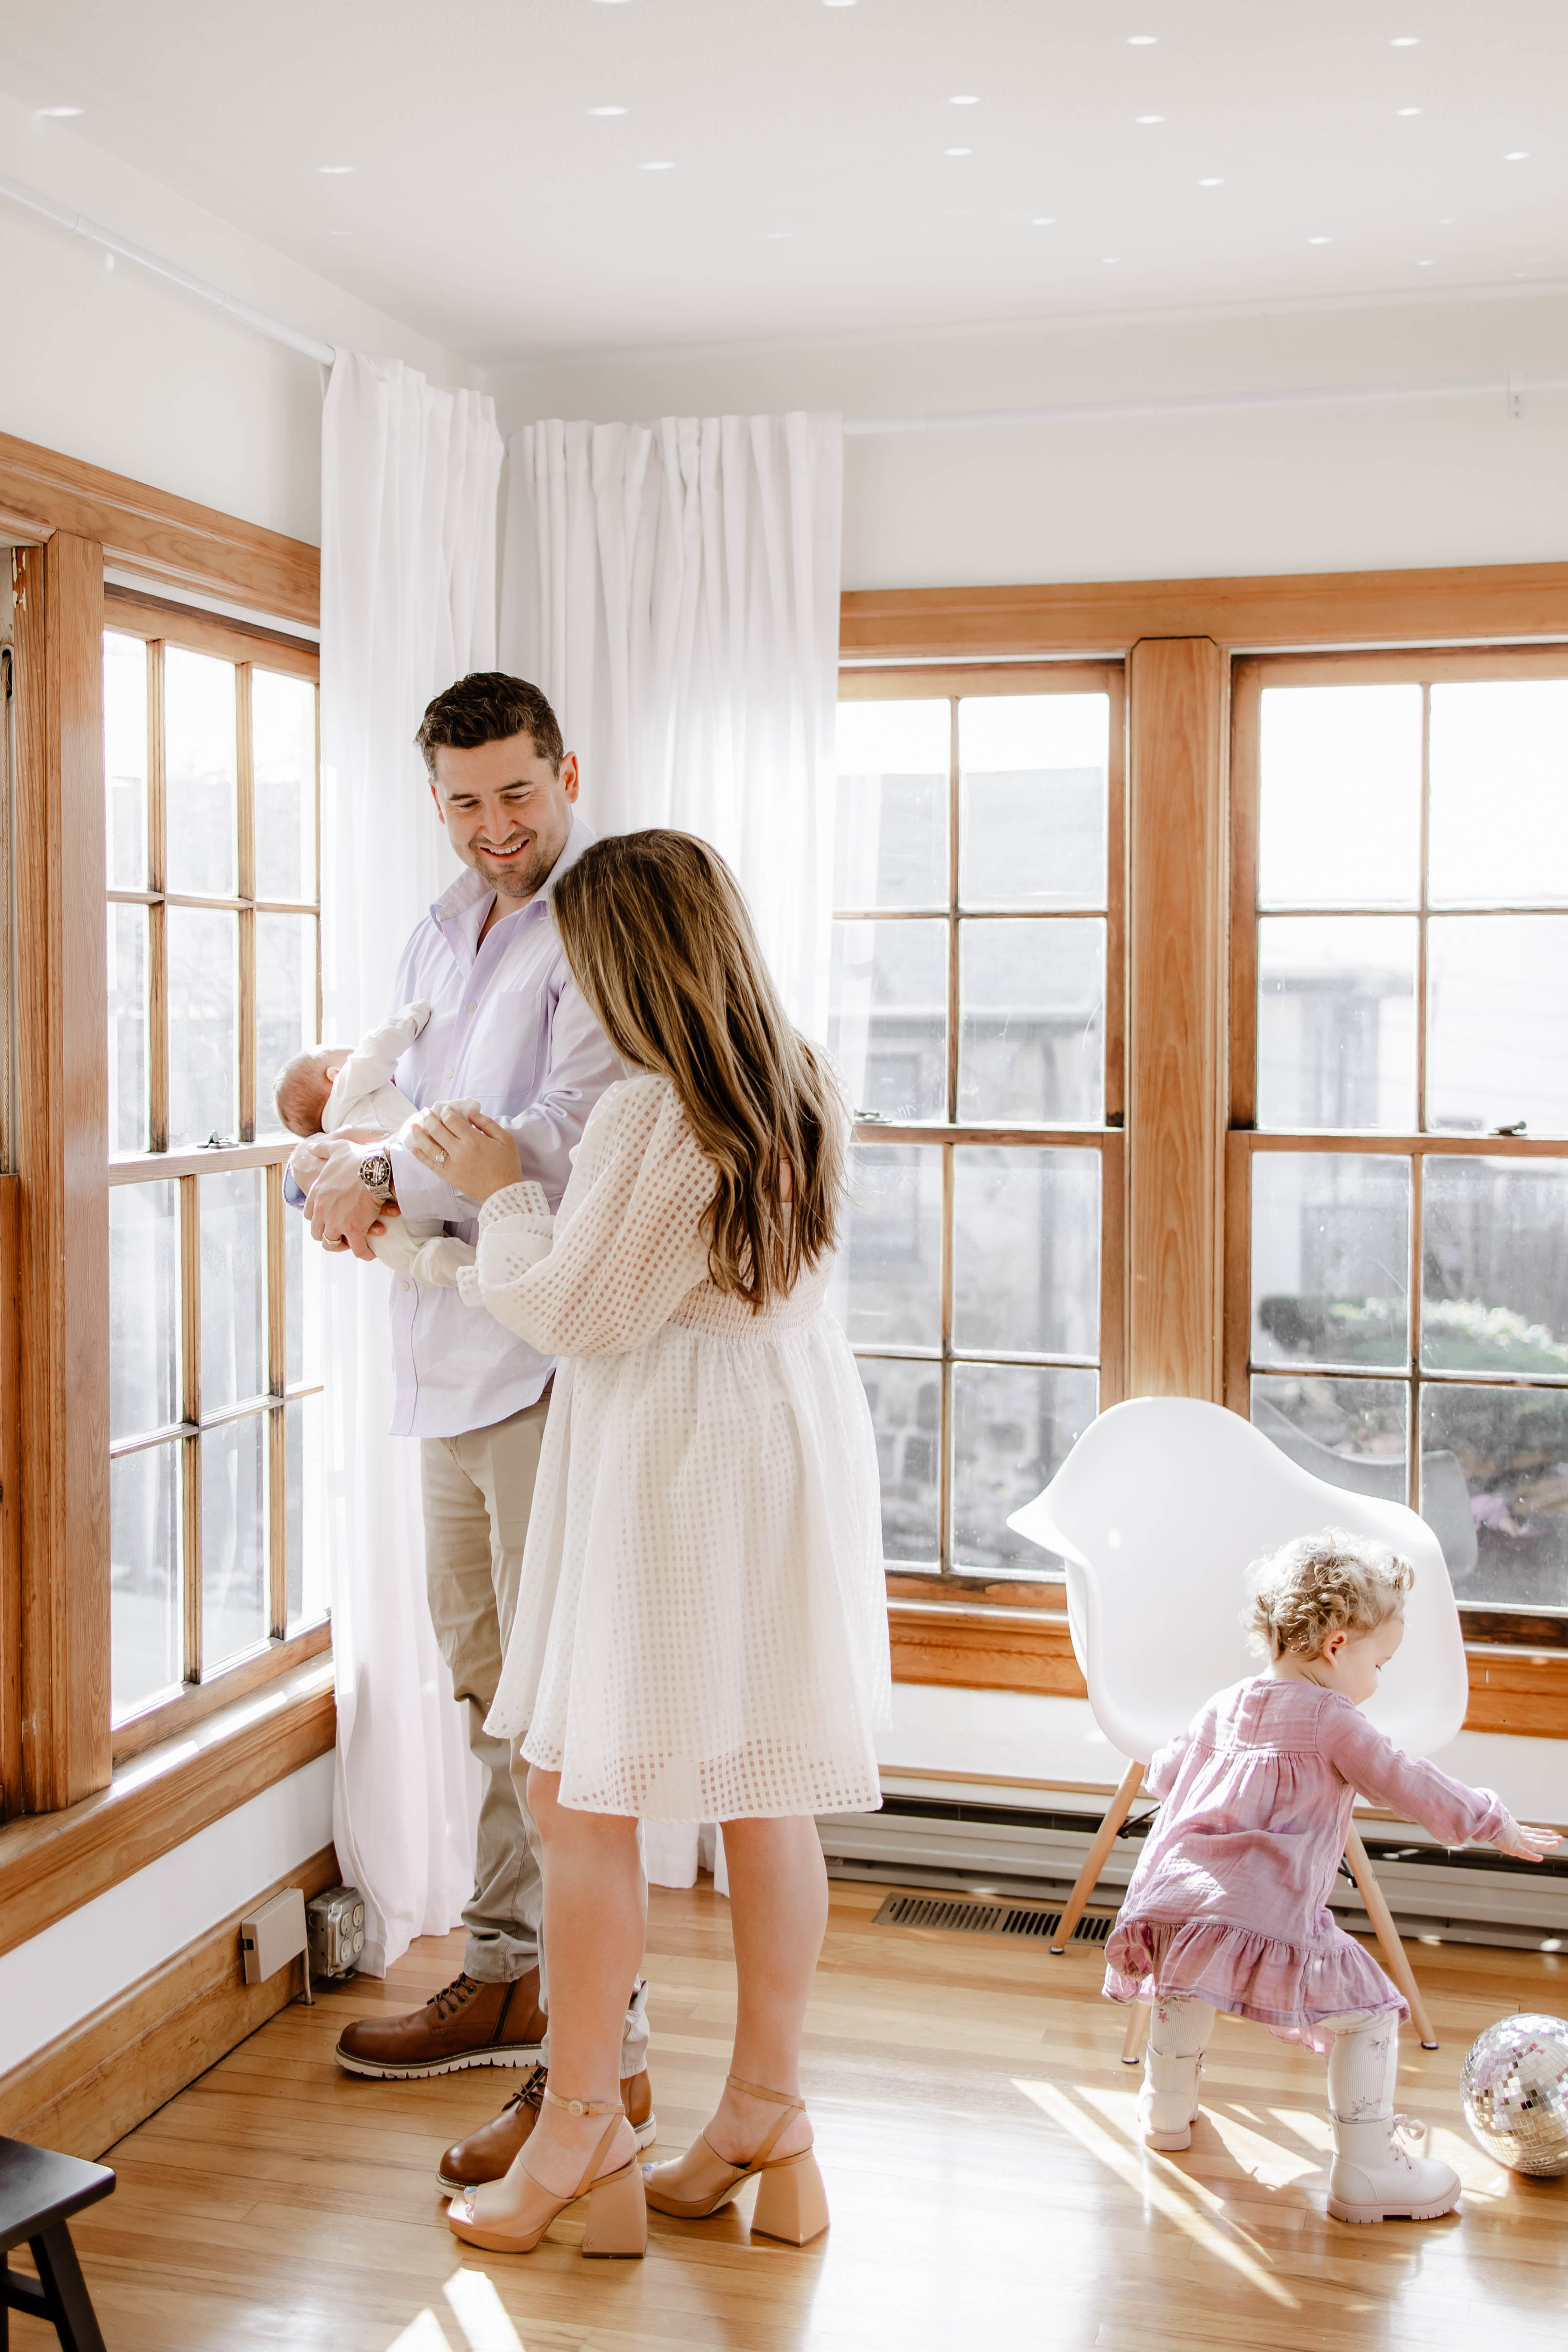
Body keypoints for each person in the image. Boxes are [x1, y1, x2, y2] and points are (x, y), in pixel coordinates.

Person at [404, 829, 890, 2260]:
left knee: (576, 1794)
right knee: (762, 1786)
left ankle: (580, 2127)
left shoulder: (645, 1114)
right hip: (779, 1446)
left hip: (669, 1461)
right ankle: (764, 2114)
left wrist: (499, 1187)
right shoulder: (797, 1078)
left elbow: (576, 1312)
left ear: (624, 962)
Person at [288, 674, 654, 2173]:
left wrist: (381, 1176)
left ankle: (598, 2043)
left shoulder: (602, 925)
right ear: (432, 798)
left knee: (559, 1712)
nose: (494, 825)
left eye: (515, 791)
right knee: (484, 1680)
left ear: (566, 771)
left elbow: (567, 1142)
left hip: (544, 1352)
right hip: (443, 1341)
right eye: (464, 800)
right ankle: (505, 1970)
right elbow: (421, 1103)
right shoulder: (438, 930)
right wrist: (355, 1160)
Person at [1103, 1529, 1560, 2225]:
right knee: (1371, 2013)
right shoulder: (1333, 1719)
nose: (1377, 1680)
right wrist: (1491, 1820)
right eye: (1379, 1662)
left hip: (1173, 1894)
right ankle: (1367, 2168)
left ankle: (1165, 2110)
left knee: (1184, 1980)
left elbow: (1164, 1772)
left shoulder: (1223, 1703)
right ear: (1337, 1645)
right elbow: (1406, 1781)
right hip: (1268, 1908)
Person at [274, 1002, 478, 1285]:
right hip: (408, 1162)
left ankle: (483, 1274)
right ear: (335, 1074)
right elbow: (377, 1048)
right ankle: (465, 1116)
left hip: (382, 1225)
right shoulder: (345, 1085)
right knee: (431, 1127)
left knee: (422, 1260)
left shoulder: (334, 1133)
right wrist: (413, 1016)